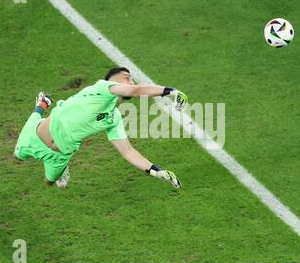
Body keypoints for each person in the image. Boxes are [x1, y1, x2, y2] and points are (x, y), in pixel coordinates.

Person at [14, 67, 187, 189]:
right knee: (18, 156)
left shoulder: (114, 118)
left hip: (59, 155)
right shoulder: (102, 88)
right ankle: (41, 104)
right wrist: (171, 92)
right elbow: (136, 90)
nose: (131, 82)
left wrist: (156, 171)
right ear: (112, 80)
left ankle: (62, 168)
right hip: (34, 136)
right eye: (127, 77)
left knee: (49, 183)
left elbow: (127, 151)